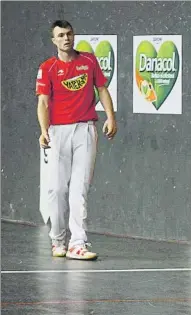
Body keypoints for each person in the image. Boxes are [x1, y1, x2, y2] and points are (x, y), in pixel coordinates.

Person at [36, 20, 117, 260]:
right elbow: (42, 102)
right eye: (60, 35)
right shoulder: (48, 68)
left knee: (79, 189)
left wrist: (110, 117)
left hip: (86, 130)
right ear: (54, 41)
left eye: (69, 34)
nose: (66, 39)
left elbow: (102, 89)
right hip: (58, 132)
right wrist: (43, 130)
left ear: (74, 35)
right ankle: (58, 239)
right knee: (57, 189)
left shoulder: (89, 61)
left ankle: (78, 243)